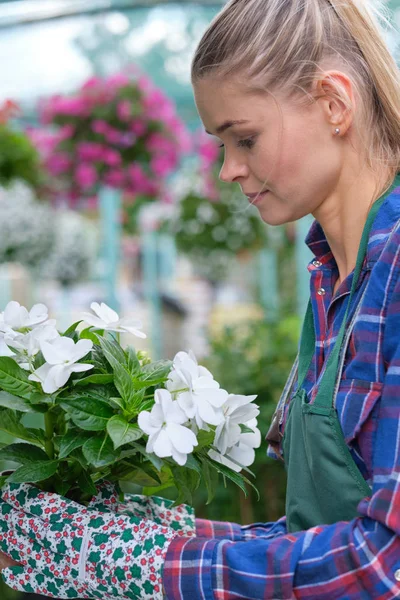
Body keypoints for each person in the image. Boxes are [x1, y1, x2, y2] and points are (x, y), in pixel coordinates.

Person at [1, 0, 400, 597]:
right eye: (220, 145)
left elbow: (381, 566)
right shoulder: (334, 283)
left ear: (334, 104)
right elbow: (320, 533)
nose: (227, 171)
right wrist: (141, 534)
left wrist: (145, 565)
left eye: (244, 138)